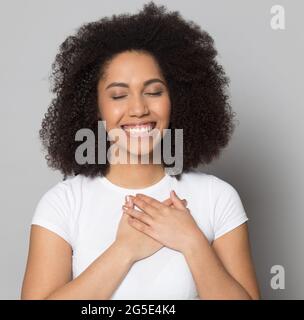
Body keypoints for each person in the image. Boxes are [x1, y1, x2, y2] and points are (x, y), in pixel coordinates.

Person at [21, 2, 260, 300]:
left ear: (178, 101)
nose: (138, 109)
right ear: (95, 109)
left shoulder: (216, 198)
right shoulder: (64, 204)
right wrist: (124, 251)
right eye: (119, 95)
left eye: (154, 91)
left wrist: (192, 242)